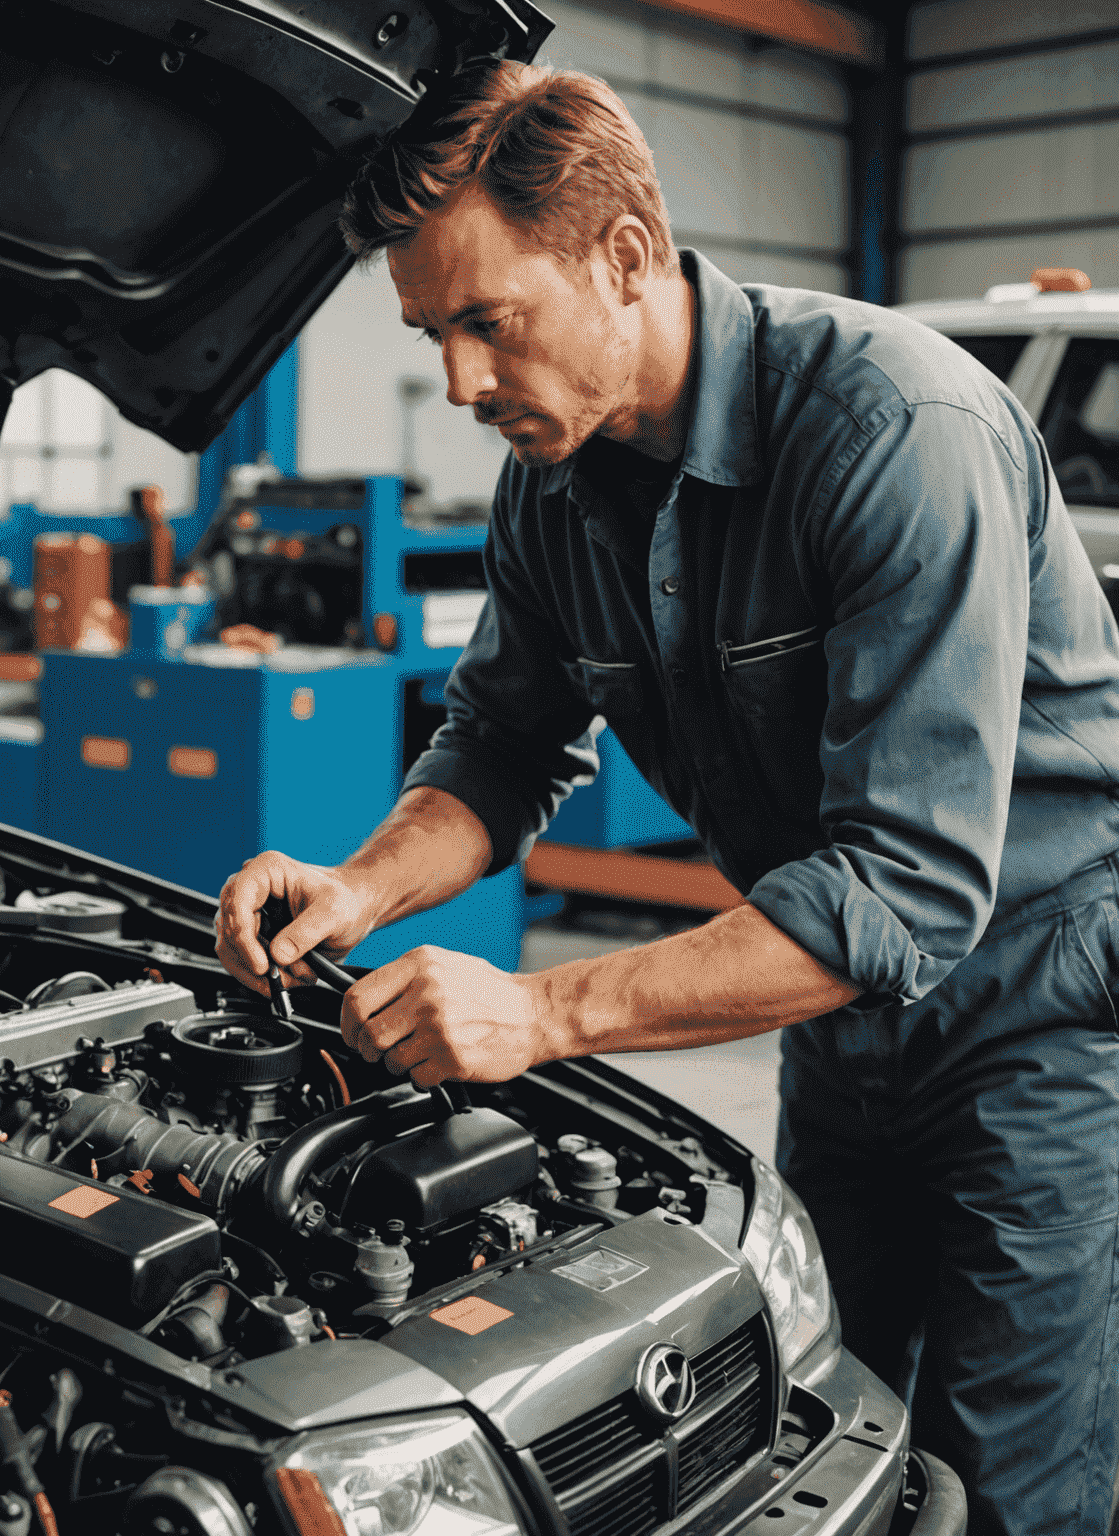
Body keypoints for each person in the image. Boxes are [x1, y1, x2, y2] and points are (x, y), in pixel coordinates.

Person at [213, 58, 1119, 1536]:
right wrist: (358, 886)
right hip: (827, 1005)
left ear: (623, 259)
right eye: (433, 333)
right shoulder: (551, 489)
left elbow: (903, 893)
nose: (458, 384)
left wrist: (545, 1011)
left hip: (1029, 1015)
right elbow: (501, 748)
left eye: (487, 322)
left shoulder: (896, 433)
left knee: (1009, 1477)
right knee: (825, 1418)